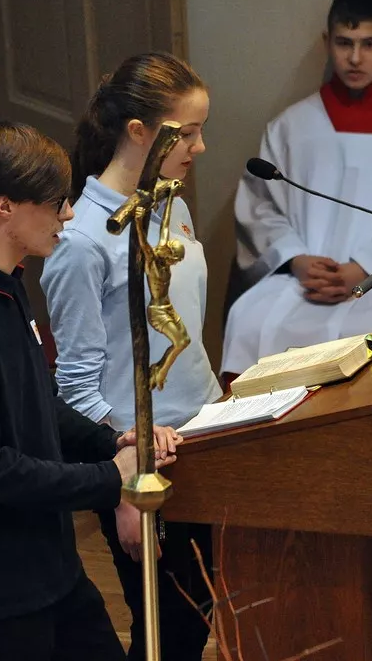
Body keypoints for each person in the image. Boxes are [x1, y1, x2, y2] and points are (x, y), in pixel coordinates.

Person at [0, 121, 181, 660]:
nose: (69, 215)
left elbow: (37, 407)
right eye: (56, 203)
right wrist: (106, 480)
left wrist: (115, 441)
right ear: (5, 206)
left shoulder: (5, 285)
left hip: (46, 560)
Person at [40, 52, 221, 660]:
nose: (200, 147)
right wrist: (123, 481)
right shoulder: (84, 240)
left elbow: (183, 334)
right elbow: (75, 387)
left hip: (202, 436)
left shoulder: (172, 205)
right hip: (138, 456)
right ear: (138, 132)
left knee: (196, 622)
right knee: (168, 631)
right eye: (188, 133)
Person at [220, 0, 372, 377]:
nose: (355, 58)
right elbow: (261, 207)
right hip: (302, 283)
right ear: (327, 41)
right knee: (247, 318)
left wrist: (365, 269)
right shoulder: (294, 125)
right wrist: (296, 259)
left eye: (369, 43)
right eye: (344, 43)